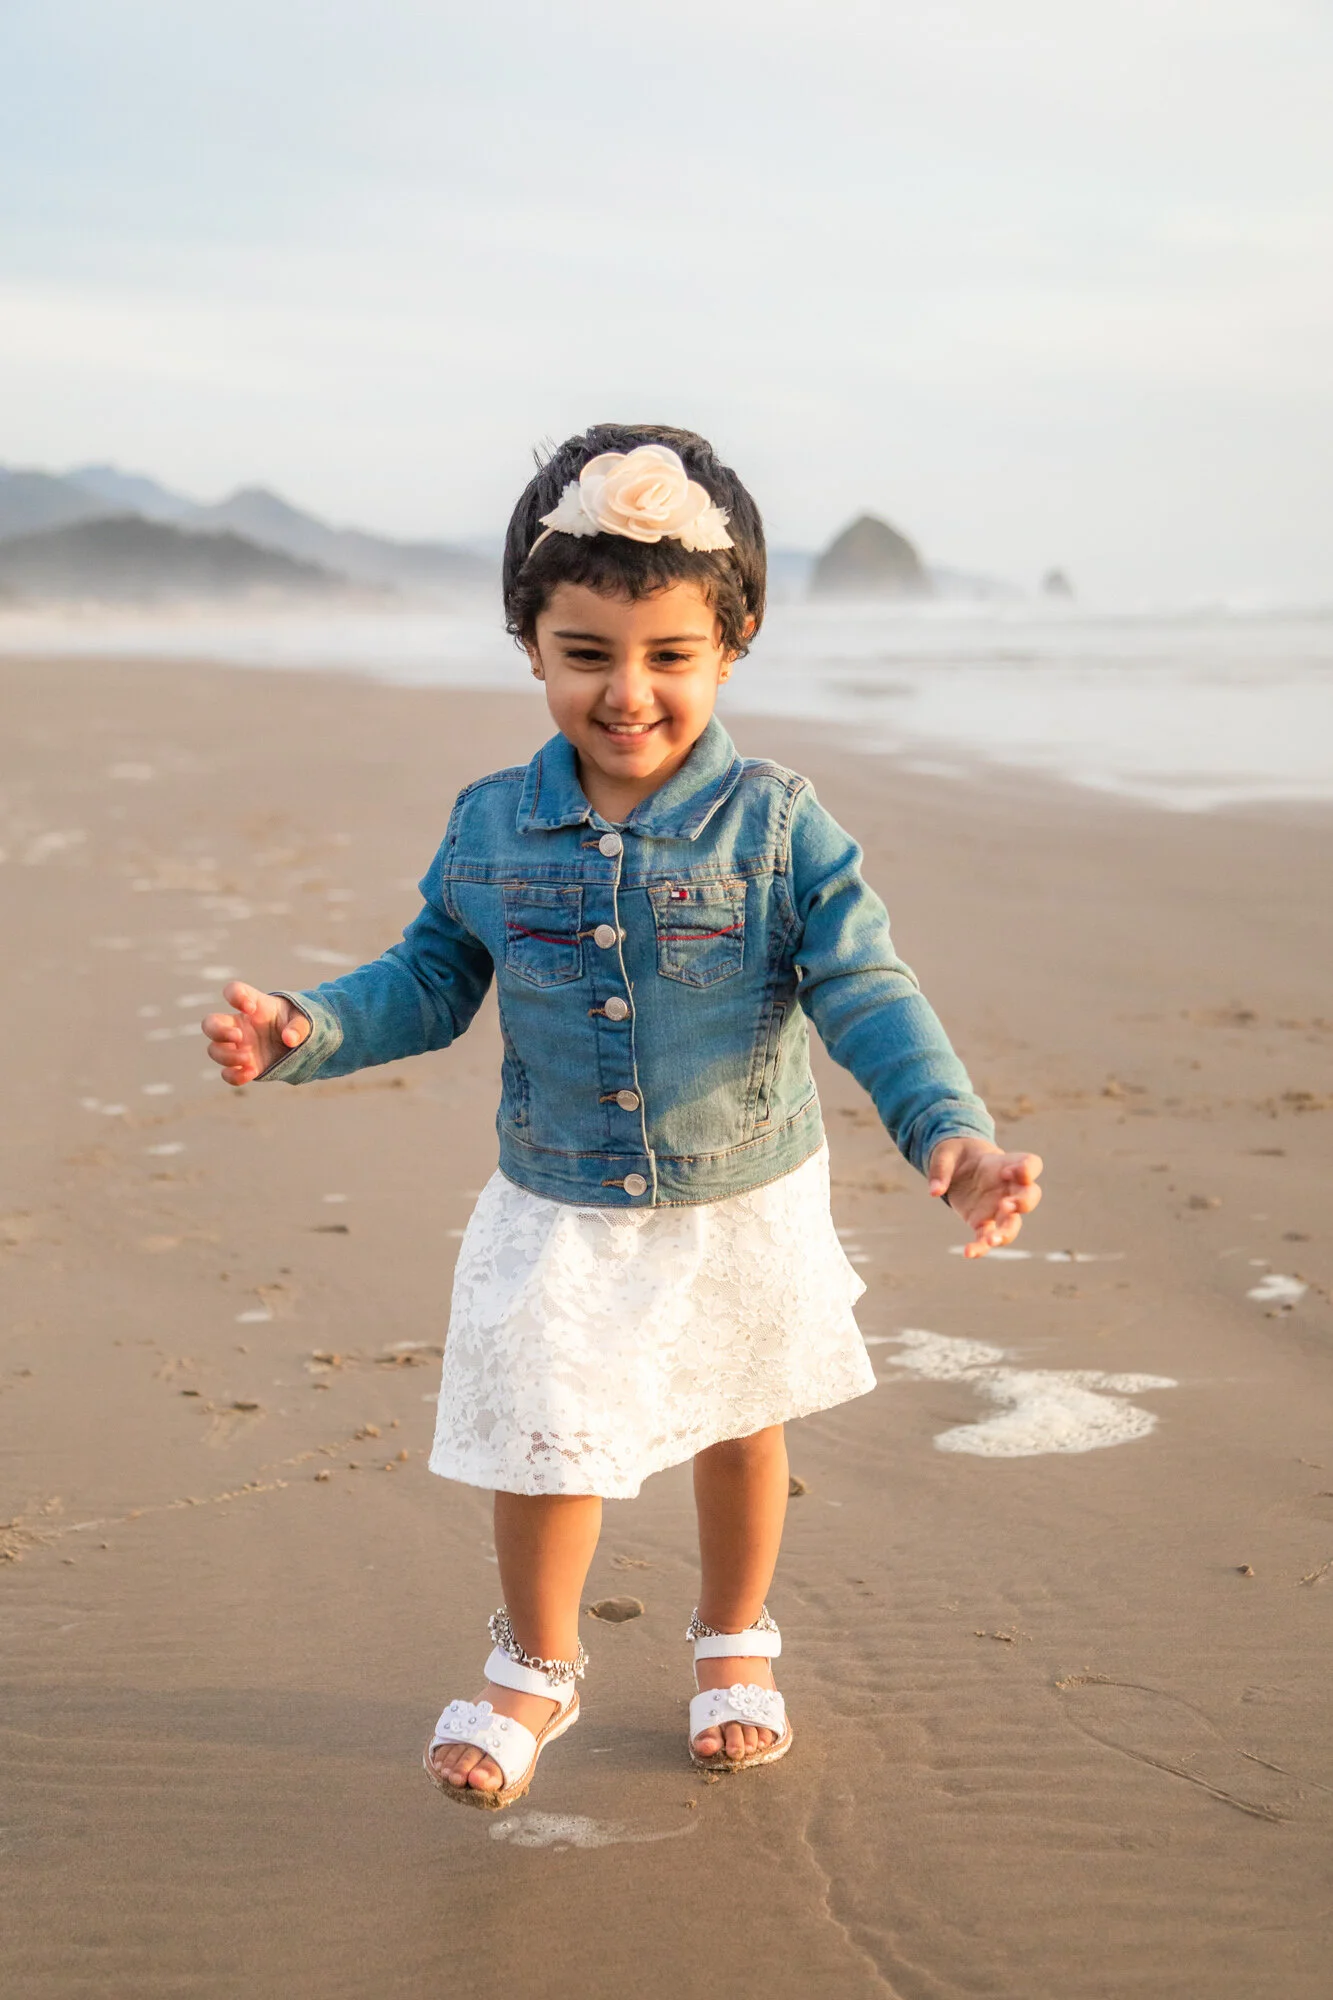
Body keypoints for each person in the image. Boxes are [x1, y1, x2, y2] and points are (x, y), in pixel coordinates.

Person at [202, 424, 1043, 1812]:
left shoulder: (778, 826)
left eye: (670, 656)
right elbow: (430, 979)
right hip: (561, 1198)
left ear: (735, 643)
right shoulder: (491, 827)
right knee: (542, 1431)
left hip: (739, 1191)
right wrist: (310, 1029)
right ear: (531, 645)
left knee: (739, 1419)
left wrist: (949, 1137)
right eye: (586, 654)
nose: (628, 693)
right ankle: (536, 1664)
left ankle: (734, 1638)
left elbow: (864, 986)